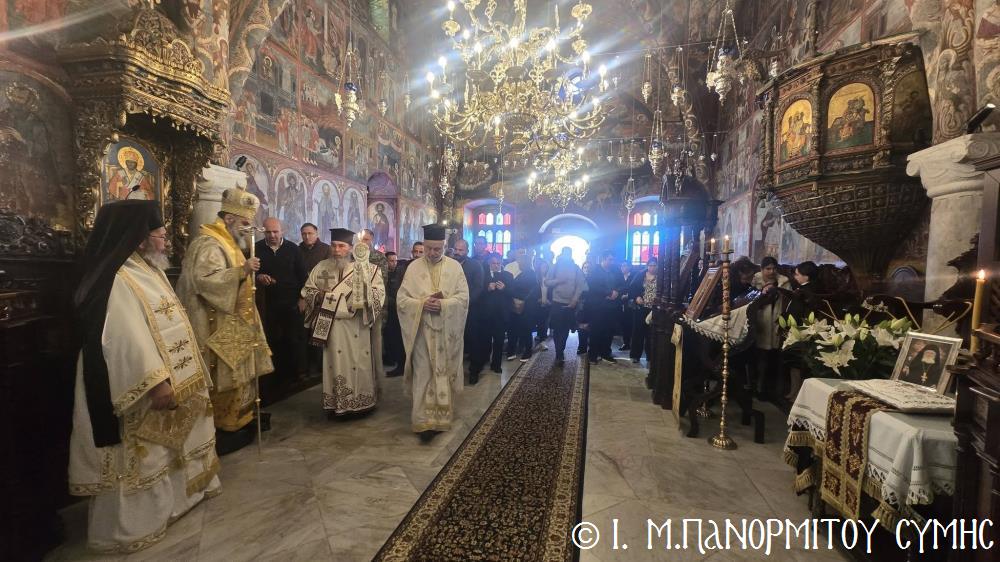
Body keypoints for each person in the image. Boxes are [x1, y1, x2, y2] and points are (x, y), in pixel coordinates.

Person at [70, 200, 219, 552]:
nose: (166, 241)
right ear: (139, 238)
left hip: (167, 375)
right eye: (160, 235)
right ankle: (131, 526)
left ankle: (175, 503)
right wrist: (156, 381)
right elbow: (124, 336)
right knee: (139, 453)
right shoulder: (118, 277)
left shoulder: (147, 269)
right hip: (136, 381)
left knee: (164, 449)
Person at [176, 188, 273, 453]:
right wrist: (242, 270)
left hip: (235, 322)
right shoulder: (208, 243)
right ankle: (223, 424)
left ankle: (240, 420)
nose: (248, 228)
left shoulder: (230, 242)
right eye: (244, 222)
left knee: (240, 377)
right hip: (216, 323)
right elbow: (204, 281)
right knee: (225, 376)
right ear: (229, 219)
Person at [396, 224, 470, 441]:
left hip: (446, 333)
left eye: (437, 249)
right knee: (423, 373)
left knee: (442, 372)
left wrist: (444, 305)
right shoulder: (413, 268)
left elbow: (464, 298)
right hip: (422, 332)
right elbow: (402, 300)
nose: (432, 253)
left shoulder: (455, 268)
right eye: (428, 248)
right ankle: (422, 421)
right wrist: (420, 304)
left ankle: (441, 419)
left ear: (444, 246)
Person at [301, 228, 385, 417]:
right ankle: (337, 403)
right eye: (333, 246)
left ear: (351, 248)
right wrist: (320, 295)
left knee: (357, 362)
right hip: (330, 327)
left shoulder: (367, 270)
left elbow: (379, 295)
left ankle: (360, 402)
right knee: (333, 363)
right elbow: (307, 291)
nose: (336, 250)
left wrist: (365, 299)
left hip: (356, 326)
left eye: (341, 246)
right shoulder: (321, 267)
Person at [255, 218, 308, 403]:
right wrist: (259, 276)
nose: (272, 236)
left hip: (291, 302)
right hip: (267, 304)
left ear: (282, 231)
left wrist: (302, 298)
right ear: (263, 232)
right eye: (268, 232)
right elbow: (250, 272)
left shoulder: (293, 249)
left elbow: (304, 276)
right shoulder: (257, 248)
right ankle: (274, 380)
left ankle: (293, 377)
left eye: (275, 232)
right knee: (272, 340)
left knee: (292, 339)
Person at [751, 256, 791, 401]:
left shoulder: (783, 281)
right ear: (762, 269)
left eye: (773, 268)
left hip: (776, 321)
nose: (771, 271)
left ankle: (772, 390)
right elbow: (751, 299)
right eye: (768, 268)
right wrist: (762, 291)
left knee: (774, 358)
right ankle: (758, 387)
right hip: (761, 322)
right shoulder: (756, 280)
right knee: (759, 357)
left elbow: (787, 301)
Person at [545, 248, 586, 365]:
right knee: (557, 329)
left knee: (565, 329)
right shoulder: (555, 266)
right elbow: (547, 282)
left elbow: (580, 285)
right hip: (557, 302)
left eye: (569, 254)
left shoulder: (576, 268)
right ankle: (559, 352)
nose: (567, 256)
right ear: (562, 254)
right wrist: (557, 280)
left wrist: (575, 299)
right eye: (565, 254)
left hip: (570, 303)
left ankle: (560, 350)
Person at [299, 222, 329, 375]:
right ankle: (306, 367)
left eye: (310, 233)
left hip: (323, 298)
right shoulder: (297, 250)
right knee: (305, 334)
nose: (307, 236)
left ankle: (320, 367)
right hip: (304, 297)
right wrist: (302, 297)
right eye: (304, 234)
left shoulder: (326, 250)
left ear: (316, 234)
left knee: (320, 333)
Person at [454, 239, 486, 383]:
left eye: (461, 250)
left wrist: (464, 303)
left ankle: (474, 371)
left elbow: (479, 287)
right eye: (456, 249)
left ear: (467, 251)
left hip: (472, 309)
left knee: (473, 341)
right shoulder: (449, 264)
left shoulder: (475, 265)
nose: (458, 252)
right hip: (452, 309)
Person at [585, 251, 624, 363]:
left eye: (613, 260)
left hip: (612, 306)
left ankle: (606, 352)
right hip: (598, 306)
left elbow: (623, 284)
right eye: (609, 259)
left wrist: (616, 292)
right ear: (603, 259)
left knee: (609, 331)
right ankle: (593, 354)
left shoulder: (616, 270)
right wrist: (608, 293)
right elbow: (592, 286)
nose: (612, 262)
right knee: (596, 330)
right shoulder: (595, 271)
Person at [481, 254, 514, 373]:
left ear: (501, 263)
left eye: (498, 263)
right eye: (493, 263)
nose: (495, 265)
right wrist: (487, 289)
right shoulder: (483, 275)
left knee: (499, 341)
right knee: (484, 340)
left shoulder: (508, 275)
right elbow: (477, 292)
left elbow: (513, 292)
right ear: (489, 263)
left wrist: (504, 288)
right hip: (486, 314)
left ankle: (496, 365)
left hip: (501, 314)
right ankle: (482, 361)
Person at [508, 248, 540, 362]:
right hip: (520, 305)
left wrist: (508, 290)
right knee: (517, 328)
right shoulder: (524, 273)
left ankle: (527, 351)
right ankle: (516, 350)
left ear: (524, 263)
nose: (518, 264)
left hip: (526, 306)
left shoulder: (529, 274)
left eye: (520, 262)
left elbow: (528, 291)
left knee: (525, 329)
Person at [627, 258, 658, 364]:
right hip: (641, 307)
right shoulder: (640, 275)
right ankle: (635, 355)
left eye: (655, 265)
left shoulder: (660, 277)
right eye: (651, 265)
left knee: (651, 333)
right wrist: (637, 297)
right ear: (647, 265)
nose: (653, 267)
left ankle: (651, 356)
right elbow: (632, 288)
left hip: (653, 309)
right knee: (638, 331)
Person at [384, 251, 406, 377]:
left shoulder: (399, 273)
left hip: (396, 309)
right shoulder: (383, 274)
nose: (394, 263)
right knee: (390, 338)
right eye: (391, 261)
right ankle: (391, 359)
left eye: (395, 261)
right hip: (388, 311)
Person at [534, 256, 552, 347]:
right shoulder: (535, 279)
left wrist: (550, 301)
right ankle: (540, 337)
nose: (544, 269)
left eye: (546, 267)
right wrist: (538, 299)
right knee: (540, 322)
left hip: (548, 304)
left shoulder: (551, 279)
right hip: (538, 304)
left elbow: (552, 291)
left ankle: (543, 340)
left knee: (545, 322)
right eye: (542, 267)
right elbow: (533, 292)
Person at [619, 262, 634, 351]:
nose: (622, 267)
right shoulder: (619, 277)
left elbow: (636, 288)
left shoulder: (633, 276)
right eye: (622, 265)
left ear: (629, 267)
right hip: (620, 303)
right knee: (623, 323)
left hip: (630, 303)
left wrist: (628, 295)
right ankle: (625, 342)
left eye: (624, 266)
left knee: (630, 323)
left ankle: (630, 343)